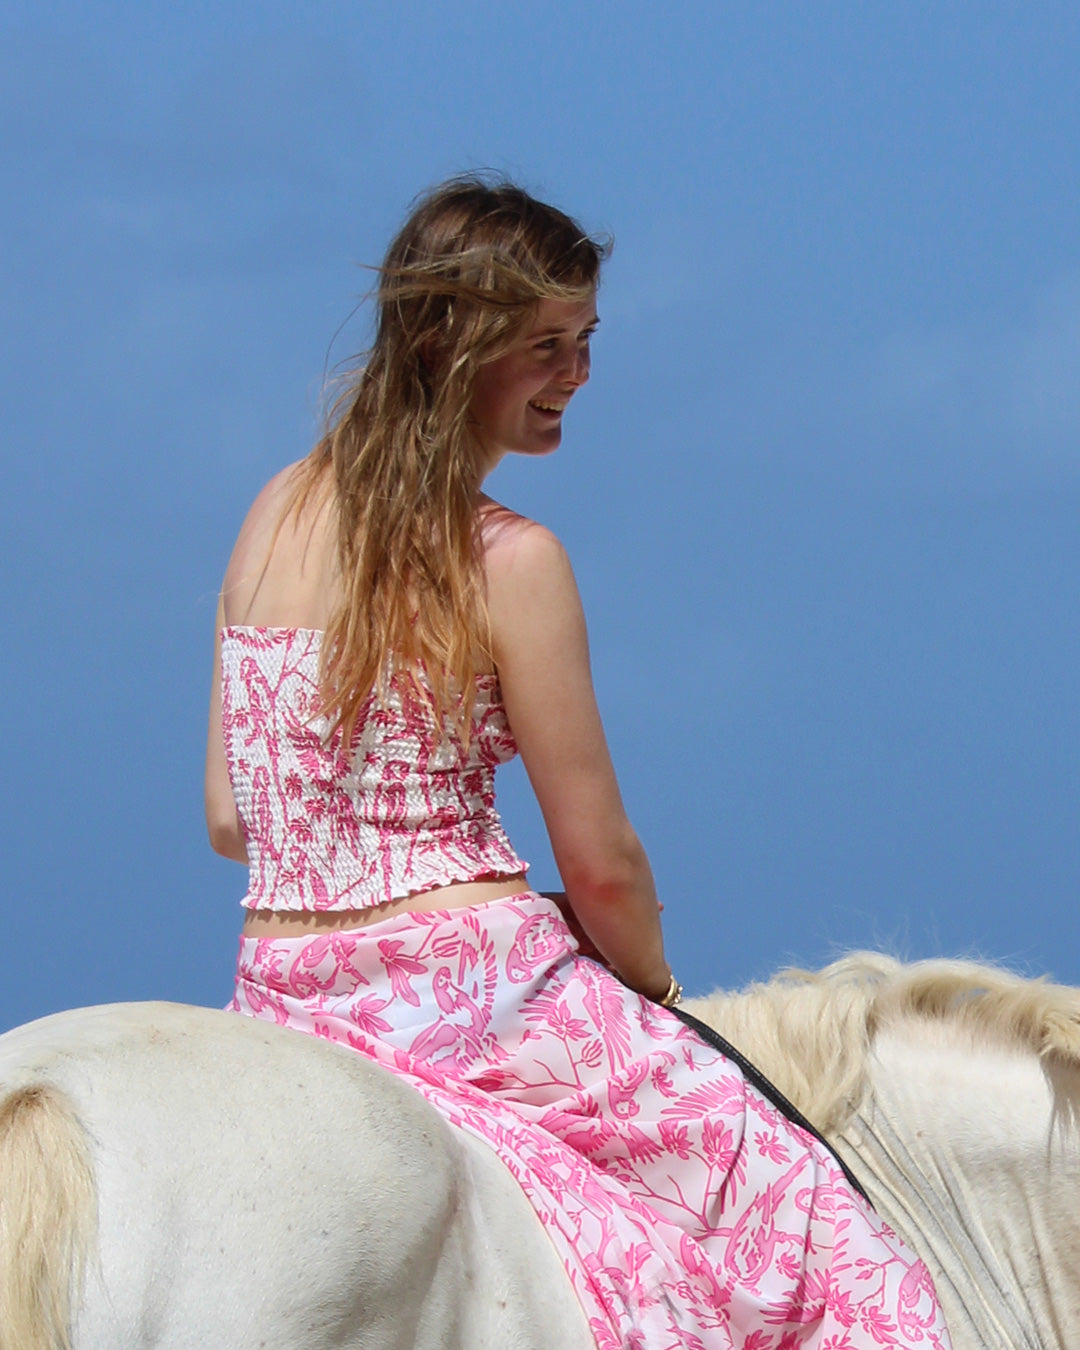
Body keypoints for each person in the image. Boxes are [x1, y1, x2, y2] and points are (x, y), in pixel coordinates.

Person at [207, 177, 950, 1348]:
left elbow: (229, 818)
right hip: (484, 1002)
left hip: (279, 989)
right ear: (449, 341)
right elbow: (601, 864)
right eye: (547, 345)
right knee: (809, 1223)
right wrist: (650, 985)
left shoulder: (273, 512)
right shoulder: (511, 560)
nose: (580, 374)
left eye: (587, 341)